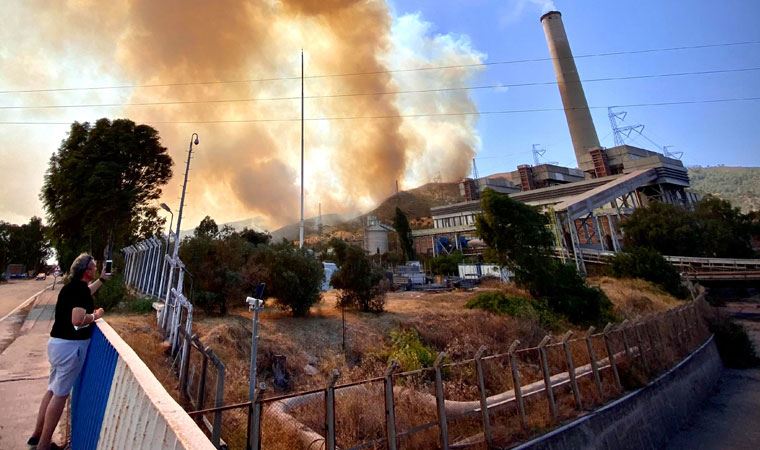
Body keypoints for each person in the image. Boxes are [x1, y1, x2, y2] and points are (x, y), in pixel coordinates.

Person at [28, 253, 110, 450]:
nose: (96, 270)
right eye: (94, 268)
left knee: (52, 389)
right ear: (86, 271)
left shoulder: (70, 287)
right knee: (61, 395)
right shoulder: (79, 291)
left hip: (56, 343)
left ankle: (37, 436)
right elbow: (77, 320)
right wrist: (96, 315)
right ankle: (44, 446)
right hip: (71, 347)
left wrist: (102, 281)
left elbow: (85, 293)